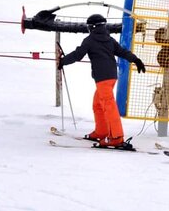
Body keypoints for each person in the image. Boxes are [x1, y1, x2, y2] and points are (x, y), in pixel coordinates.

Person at [58, 14, 146, 149]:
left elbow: (78, 54)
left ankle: (116, 137)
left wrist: (63, 61)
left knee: (109, 107)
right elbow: (122, 52)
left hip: (103, 79)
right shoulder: (109, 39)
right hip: (111, 77)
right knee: (98, 104)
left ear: (92, 27)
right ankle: (102, 131)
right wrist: (135, 59)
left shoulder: (89, 40)